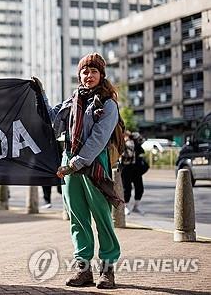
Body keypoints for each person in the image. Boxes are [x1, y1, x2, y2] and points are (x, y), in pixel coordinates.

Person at [33, 52, 123, 289]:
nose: (89, 75)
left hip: (93, 164)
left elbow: (99, 138)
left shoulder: (108, 103)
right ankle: (83, 270)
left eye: (94, 71)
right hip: (70, 161)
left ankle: (107, 271)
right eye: (85, 71)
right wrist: (39, 94)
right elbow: (52, 120)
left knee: (102, 218)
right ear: (80, 75)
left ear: (101, 75)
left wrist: (75, 164)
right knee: (77, 218)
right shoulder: (73, 100)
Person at [121, 131, 145, 215]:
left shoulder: (134, 139)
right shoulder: (121, 141)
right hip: (125, 168)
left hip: (136, 167)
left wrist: (132, 136)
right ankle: (125, 206)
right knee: (126, 188)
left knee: (139, 187)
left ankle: (136, 206)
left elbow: (142, 140)